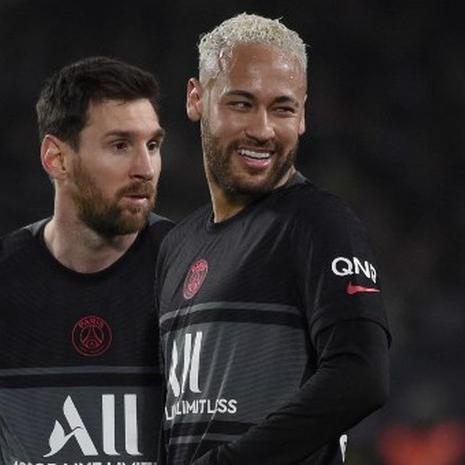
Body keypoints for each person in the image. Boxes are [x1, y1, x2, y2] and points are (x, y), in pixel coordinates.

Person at [0, 56, 173, 465]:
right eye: (119, 145)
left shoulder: (194, 269)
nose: (145, 168)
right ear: (57, 159)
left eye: (153, 145)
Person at [156, 13, 391, 464]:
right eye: (241, 104)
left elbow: (361, 374)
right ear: (196, 99)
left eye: (282, 108)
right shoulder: (176, 246)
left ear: (302, 115)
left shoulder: (318, 223)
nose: (262, 130)